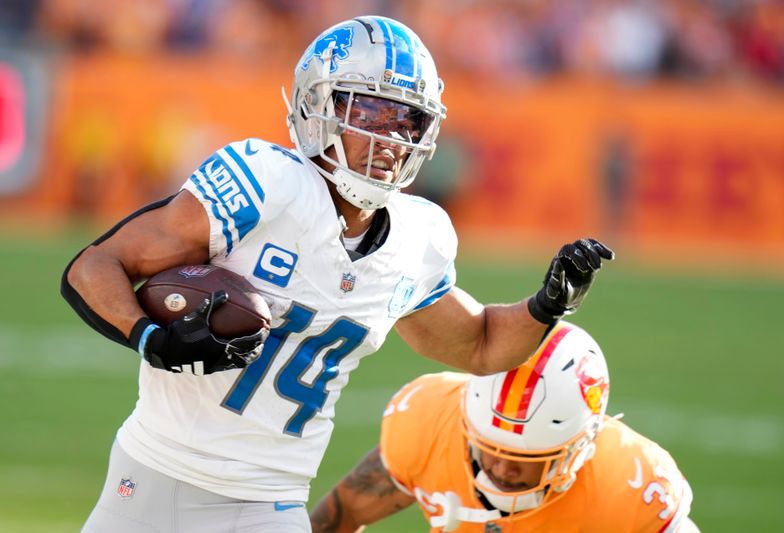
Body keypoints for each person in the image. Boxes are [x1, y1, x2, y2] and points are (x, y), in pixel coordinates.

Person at [60, 15, 614, 533]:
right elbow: (95, 266)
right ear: (318, 106)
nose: (392, 138)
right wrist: (150, 337)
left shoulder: (418, 237)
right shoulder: (266, 183)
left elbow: (482, 345)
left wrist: (546, 305)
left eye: (408, 120)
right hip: (151, 472)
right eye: (372, 113)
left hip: (270, 503)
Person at [309, 321, 698, 533]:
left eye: (524, 458)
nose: (500, 468)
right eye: (489, 447)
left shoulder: (632, 486)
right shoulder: (429, 422)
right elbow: (341, 515)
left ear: (581, 446)